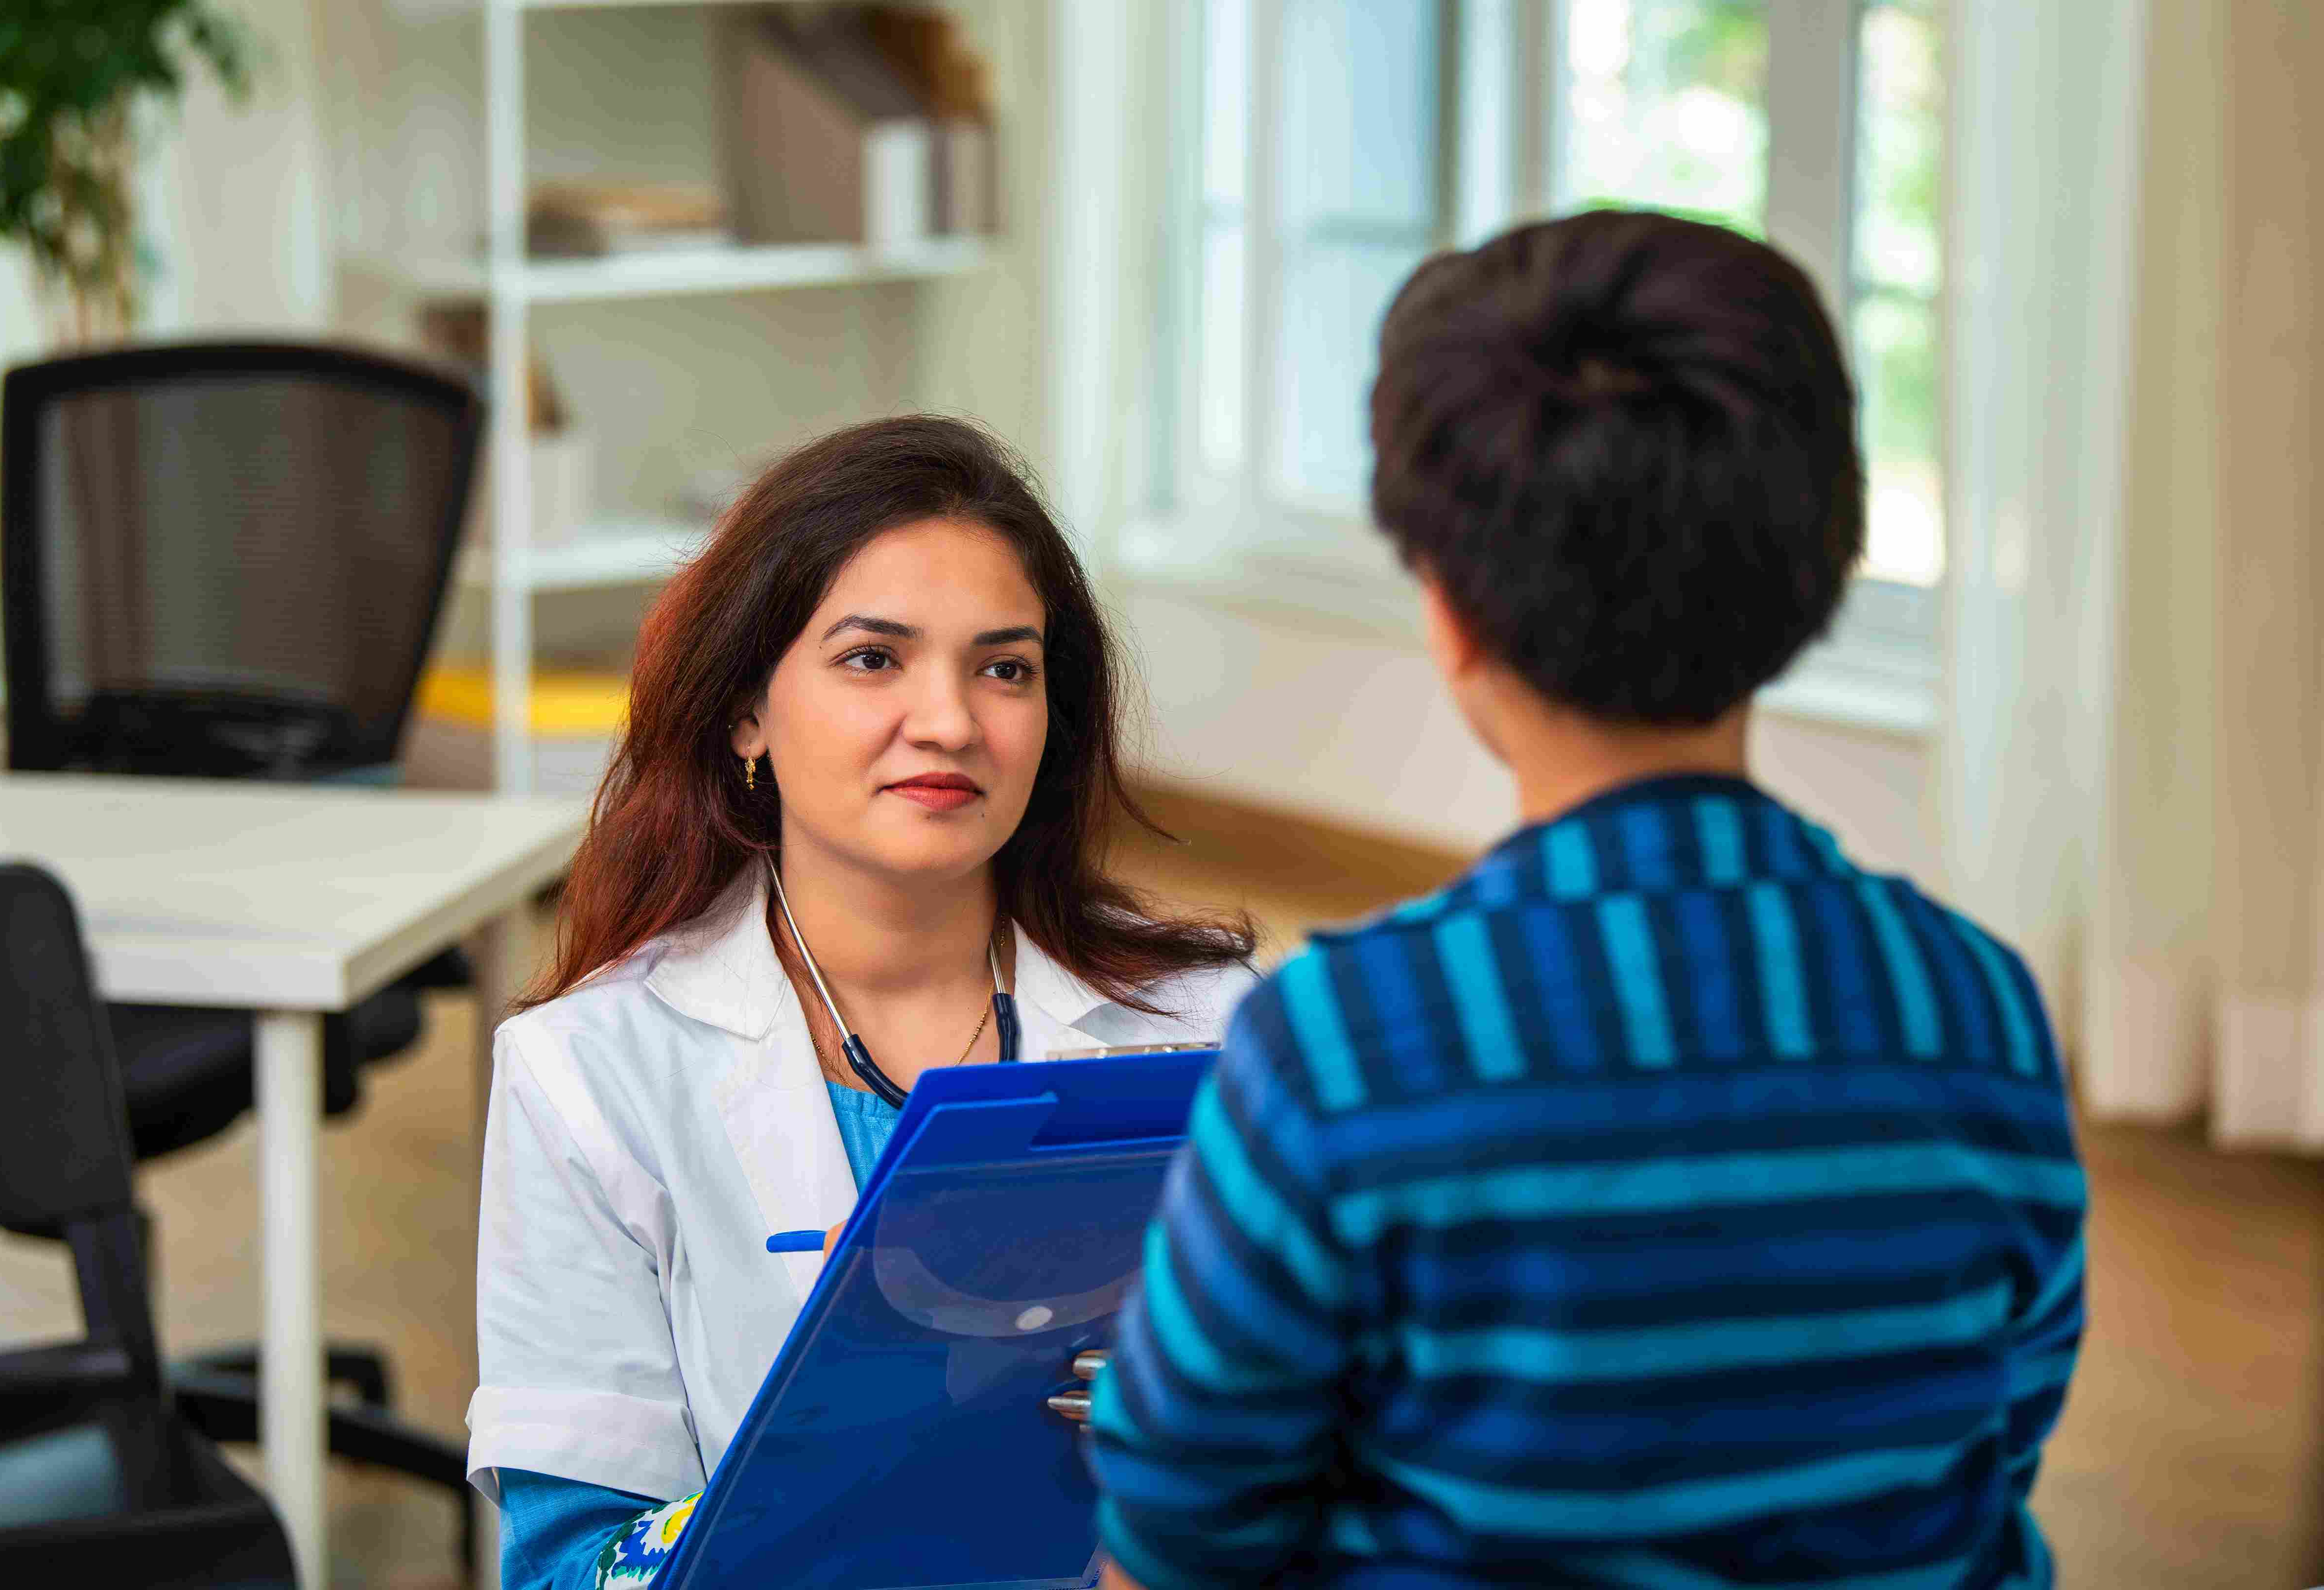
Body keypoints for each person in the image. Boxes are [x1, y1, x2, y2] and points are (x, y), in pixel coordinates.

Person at [1089, 210, 2088, 1588]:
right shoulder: (1972, 1004)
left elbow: (1178, 1523)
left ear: (1448, 612)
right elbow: (1998, 1433)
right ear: (1823, 558)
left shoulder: (1350, 1045)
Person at [469, 415, 1259, 1589]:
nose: (948, 721)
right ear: (747, 710)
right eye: (871, 658)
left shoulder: (1209, 1026)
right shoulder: (588, 1070)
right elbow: (569, 1562)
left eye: (1004, 668)